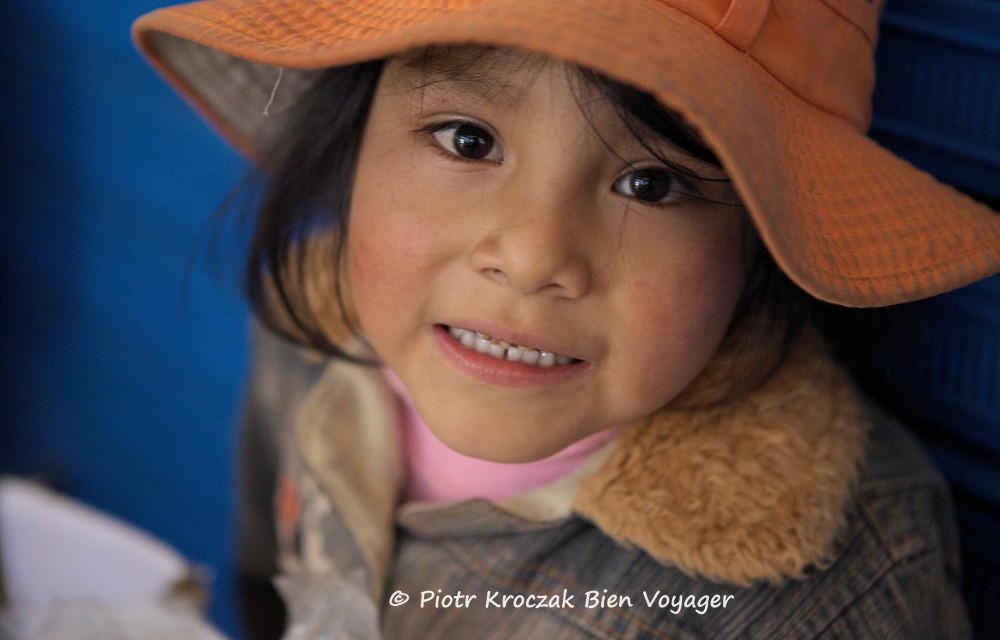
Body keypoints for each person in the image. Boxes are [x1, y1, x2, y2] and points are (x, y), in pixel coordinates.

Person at [132, 1, 1000, 638]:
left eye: (651, 184)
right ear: (350, 143)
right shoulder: (308, 339)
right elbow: (266, 587)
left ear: (761, 246)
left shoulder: (824, 596)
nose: (533, 256)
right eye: (468, 139)